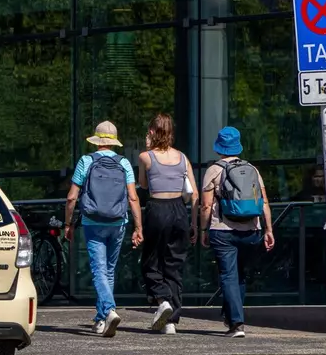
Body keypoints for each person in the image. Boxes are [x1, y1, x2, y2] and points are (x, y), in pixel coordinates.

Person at [64, 121, 143, 337]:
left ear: (97, 141)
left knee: (99, 270)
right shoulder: (124, 163)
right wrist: (138, 227)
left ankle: (108, 310)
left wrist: (68, 224)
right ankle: (101, 319)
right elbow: (133, 197)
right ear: (114, 143)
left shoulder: (86, 161)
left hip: (92, 222)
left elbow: (72, 197)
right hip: (118, 223)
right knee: (108, 270)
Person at [200, 127, 275, 338]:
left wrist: (204, 229)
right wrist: (268, 229)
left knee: (228, 274)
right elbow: (264, 201)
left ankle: (236, 323)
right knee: (240, 275)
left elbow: (206, 206)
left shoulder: (214, 170)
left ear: (219, 148)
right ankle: (233, 316)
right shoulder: (252, 169)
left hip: (222, 230)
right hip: (251, 230)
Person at [137, 114, 196, 335]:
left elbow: (144, 184)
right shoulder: (183, 157)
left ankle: (162, 300)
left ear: (152, 132)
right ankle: (170, 321)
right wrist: (195, 225)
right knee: (174, 264)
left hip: (158, 208)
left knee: (150, 261)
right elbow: (193, 192)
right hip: (180, 211)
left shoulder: (146, 157)